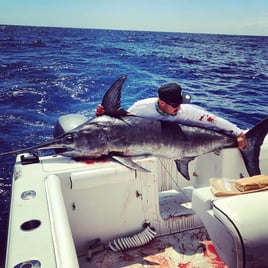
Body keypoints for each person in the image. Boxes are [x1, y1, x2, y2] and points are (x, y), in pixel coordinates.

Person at [96, 83, 248, 149]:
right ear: (162, 103)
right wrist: (104, 115)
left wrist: (239, 133)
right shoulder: (141, 108)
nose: (179, 108)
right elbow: (122, 122)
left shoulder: (185, 111)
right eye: (174, 105)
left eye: (180, 103)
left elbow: (213, 119)